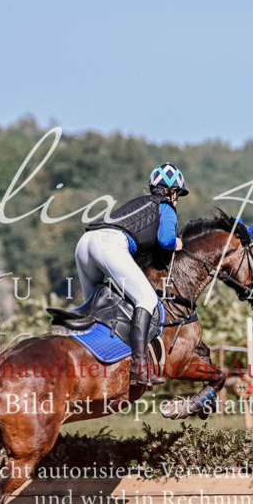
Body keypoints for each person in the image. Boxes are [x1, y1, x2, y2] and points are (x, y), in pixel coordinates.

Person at [77, 163, 188, 386]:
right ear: (172, 191)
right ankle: (139, 368)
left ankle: (84, 362)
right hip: (110, 244)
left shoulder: (137, 203)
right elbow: (165, 240)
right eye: (177, 194)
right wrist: (177, 243)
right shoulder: (166, 207)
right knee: (146, 299)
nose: (176, 198)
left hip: (85, 243)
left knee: (94, 308)